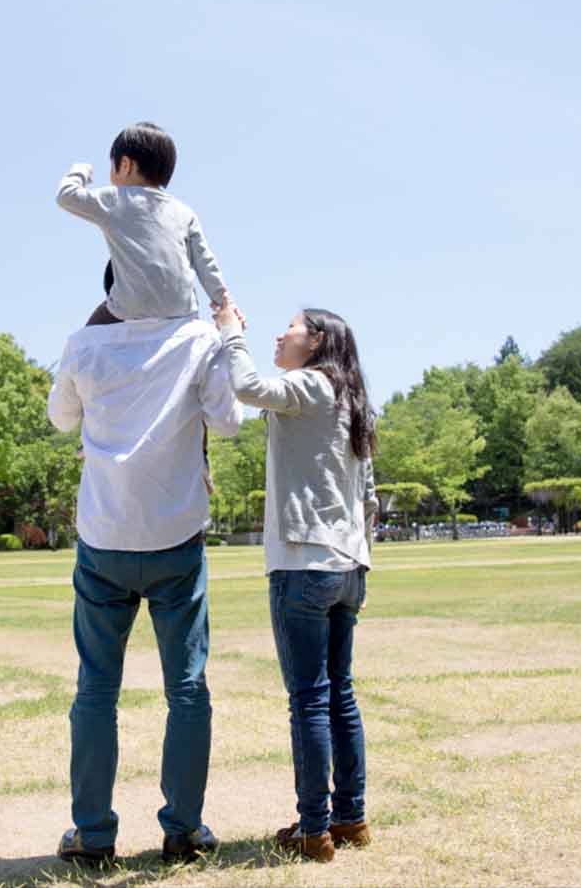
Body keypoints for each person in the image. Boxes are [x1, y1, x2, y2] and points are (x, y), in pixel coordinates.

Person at [47, 309, 242, 866]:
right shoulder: (197, 338)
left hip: (104, 537)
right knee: (187, 688)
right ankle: (183, 829)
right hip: (175, 537)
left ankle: (92, 834)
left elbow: (61, 419)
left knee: (96, 689)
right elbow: (229, 422)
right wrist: (228, 337)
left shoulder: (84, 343)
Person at [213, 298, 378, 863]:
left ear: (318, 342)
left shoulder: (311, 384)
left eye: (291, 328)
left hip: (304, 563)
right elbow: (369, 498)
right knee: (340, 696)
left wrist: (229, 332)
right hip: (347, 566)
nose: (280, 336)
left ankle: (314, 829)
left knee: (309, 699)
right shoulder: (353, 400)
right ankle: (350, 818)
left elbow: (248, 387)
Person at [56, 122, 227, 491]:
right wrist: (223, 301)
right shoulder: (183, 211)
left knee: (85, 344)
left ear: (126, 165)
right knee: (195, 385)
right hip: (182, 312)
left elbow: (66, 196)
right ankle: (202, 456)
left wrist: (80, 170)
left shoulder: (116, 200)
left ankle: (89, 433)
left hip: (128, 306)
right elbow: (205, 263)